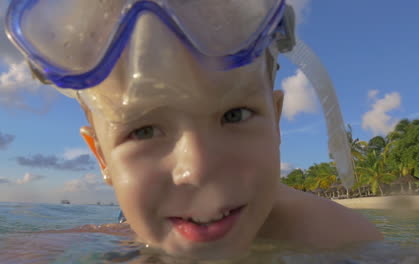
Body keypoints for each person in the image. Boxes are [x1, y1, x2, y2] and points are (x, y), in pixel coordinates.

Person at [5, 0, 382, 260]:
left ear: (277, 119)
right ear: (101, 156)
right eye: (145, 130)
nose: (197, 168)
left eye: (235, 115)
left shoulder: (335, 237)